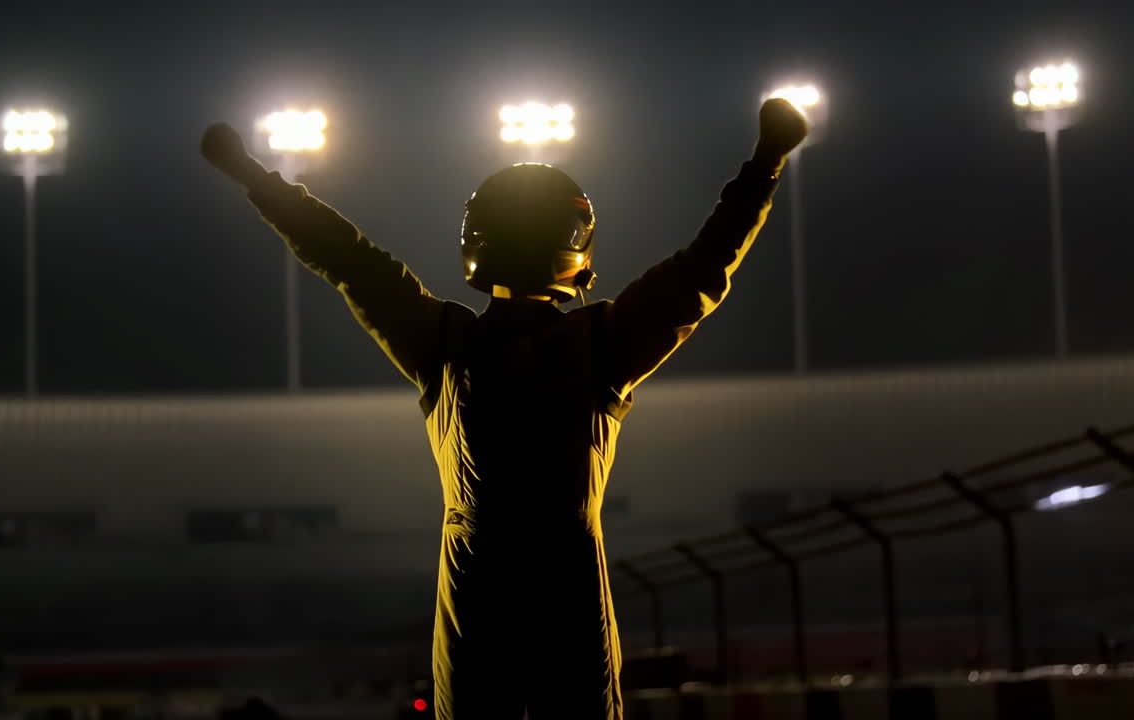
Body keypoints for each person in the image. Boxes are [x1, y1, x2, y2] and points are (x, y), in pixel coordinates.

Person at [201, 97, 807, 720]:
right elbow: (703, 268)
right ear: (575, 248)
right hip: (571, 608)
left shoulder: (444, 344)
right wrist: (766, 162)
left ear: (475, 243)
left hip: (473, 609)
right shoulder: (598, 346)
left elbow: (346, 256)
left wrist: (253, 175)